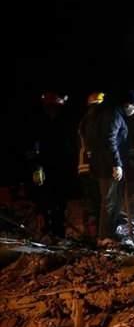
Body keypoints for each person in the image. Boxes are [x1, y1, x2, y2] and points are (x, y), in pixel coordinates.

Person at [88, 90, 134, 247]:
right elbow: (110, 140)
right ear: (129, 104)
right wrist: (116, 164)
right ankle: (104, 237)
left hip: (106, 165)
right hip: (108, 167)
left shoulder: (113, 114)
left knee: (114, 202)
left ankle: (109, 234)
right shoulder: (114, 115)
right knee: (109, 201)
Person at [27, 91, 72, 238]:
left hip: (60, 167)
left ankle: (57, 233)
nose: (53, 110)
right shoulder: (39, 121)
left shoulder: (63, 121)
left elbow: (67, 145)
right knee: (45, 202)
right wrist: (36, 167)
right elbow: (34, 145)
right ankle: (47, 231)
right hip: (45, 167)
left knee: (59, 203)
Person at [77, 91, 105, 241]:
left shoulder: (85, 120)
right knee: (98, 202)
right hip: (92, 166)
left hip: (84, 166)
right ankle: (98, 235)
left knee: (91, 202)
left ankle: (91, 234)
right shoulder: (94, 120)